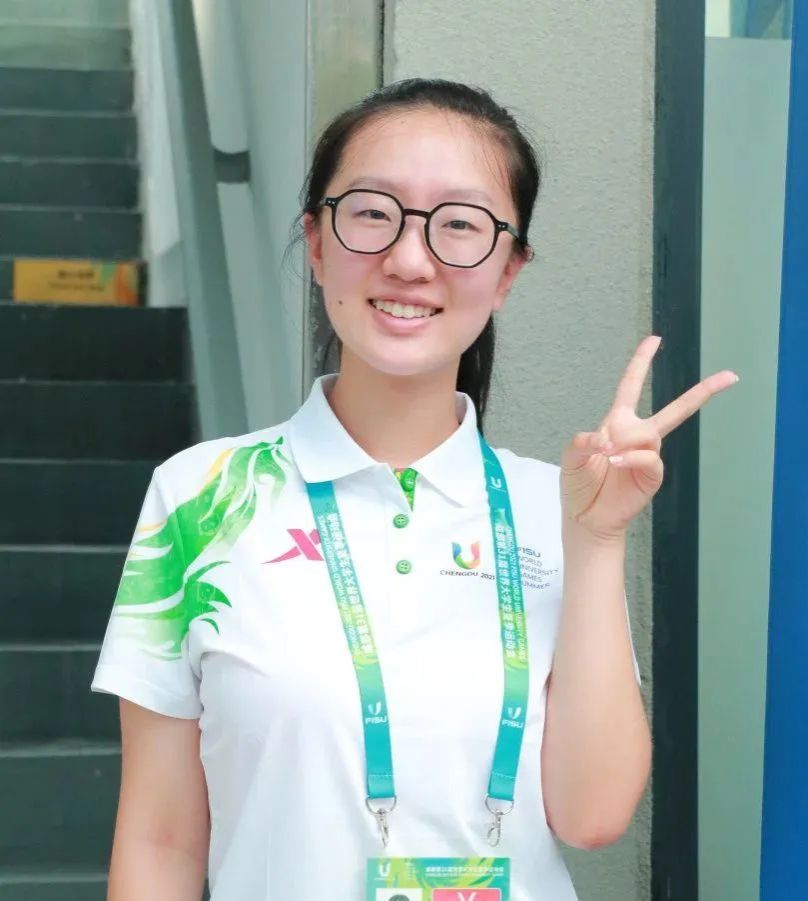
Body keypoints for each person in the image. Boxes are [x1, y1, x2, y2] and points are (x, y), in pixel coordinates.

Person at [90, 78, 738, 900]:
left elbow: (594, 814)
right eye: (372, 211)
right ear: (316, 241)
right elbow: (159, 839)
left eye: (460, 224)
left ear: (508, 271)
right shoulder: (201, 497)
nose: (408, 258)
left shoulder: (560, 509)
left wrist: (600, 540)